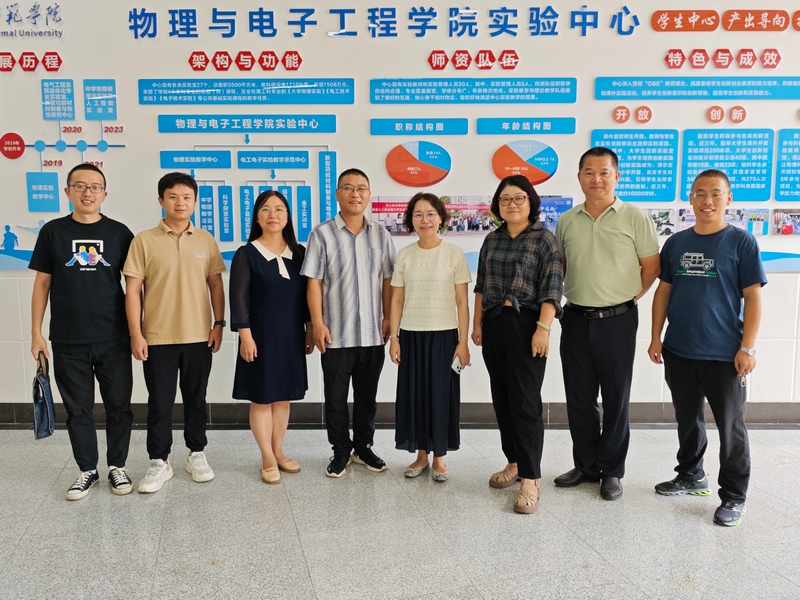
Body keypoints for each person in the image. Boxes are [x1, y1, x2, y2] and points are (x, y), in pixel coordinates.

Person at [648, 169, 766, 527]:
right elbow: (663, 292)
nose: (707, 200)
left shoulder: (742, 242)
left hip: (725, 355)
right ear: (690, 198)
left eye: (716, 193)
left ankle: (733, 496)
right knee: (687, 419)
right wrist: (656, 336)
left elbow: (753, 298)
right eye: (700, 193)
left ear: (729, 199)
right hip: (680, 350)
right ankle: (690, 475)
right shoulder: (676, 243)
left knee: (731, 428)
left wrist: (748, 348)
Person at [554, 147, 660, 501]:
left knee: (616, 398)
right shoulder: (567, 220)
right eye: (588, 172)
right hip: (575, 319)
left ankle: (612, 470)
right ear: (579, 177)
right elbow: (561, 267)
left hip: (618, 320)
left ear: (617, 176)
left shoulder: (635, 217)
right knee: (579, 397)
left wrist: (626, 298)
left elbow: (651, 267)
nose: (596, 179)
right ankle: (586, 466)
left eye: (603, 172)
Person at [29, 163, 135, 500]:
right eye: (80, 186)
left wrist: (138, 331)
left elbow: (135, 288)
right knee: (78, 409)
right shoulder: (53, 232)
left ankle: (117, 465)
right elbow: (42, 284)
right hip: (67, 337)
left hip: (114, 336)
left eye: (95, 187)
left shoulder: (120, 233)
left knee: (119, 406)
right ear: (68, 191)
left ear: (105, 194)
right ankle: (87, 469)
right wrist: (36, 333)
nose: (87, 193)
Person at [123, 172, 226, 494]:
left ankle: (196, 453)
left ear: (194, 202)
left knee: (196, 400)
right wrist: (136, 333)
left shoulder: (205, 240)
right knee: (160, 403)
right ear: (161, 200)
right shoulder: (143, 240)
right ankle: (159, 461)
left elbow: (215, 285)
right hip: (157, 338)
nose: (180, 203)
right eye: (173, 196)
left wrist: (219, 324)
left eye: (186, 197)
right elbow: (133, 290)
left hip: (199, 337)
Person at [471, 175, 563, 514]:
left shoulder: (544, 239)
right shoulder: (492, 239)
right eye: (505, 199)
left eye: (519, 198)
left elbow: (552, 289)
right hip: (495, 322)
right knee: (503, 398)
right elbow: (481, 286)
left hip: (528, 324)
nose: (512, 204)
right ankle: (514, 462)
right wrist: (477, 324)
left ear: (531, 202)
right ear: (498, 205)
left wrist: (543, 329)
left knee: (525, 402)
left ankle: (531, 478)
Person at [301, 168, 396, 477]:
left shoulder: (381, 234)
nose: (356, 194)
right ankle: (341, 450)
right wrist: (317, 323)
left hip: (372, 334)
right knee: (336, 398)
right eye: (349, 188)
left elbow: (388, 280)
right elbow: (313, 282)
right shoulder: (322, 234)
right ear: (338, 194)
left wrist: (388, 318)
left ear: (368, 194)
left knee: (367, 397)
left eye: (362, 188)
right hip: (335, 333)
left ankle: (363, 447)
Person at [229, 190, 314, 484]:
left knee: (283, 398)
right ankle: (266, 456)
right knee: (262, 398)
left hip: (291, 336)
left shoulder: (299, 253)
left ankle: (278, 452)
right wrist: (245, 335)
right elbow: (239, 298)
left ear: (288, 217)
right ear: (257, 217)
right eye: (266, 209)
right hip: (260, 337)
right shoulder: (247, 253)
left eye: (279, 209)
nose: (273, 215)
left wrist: (309, 329)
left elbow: (308, 297)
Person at [389, 192, 471, 482]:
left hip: (445, 336)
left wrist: (463, 341)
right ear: (411, 220)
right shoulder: (405, 255)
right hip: (411, 335)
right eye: (418, 214)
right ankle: (421, 455)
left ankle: (440, 457)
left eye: (430, 214)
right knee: (415, 396)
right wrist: (394, 338)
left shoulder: (454, 253)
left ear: (441, 218)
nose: (424, 220)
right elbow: (397, 300)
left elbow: (462, 301)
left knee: (441, 395)